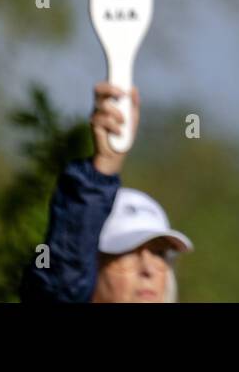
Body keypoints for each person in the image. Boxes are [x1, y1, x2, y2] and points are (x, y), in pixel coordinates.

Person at [20, 84, 193, 303]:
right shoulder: (67, 281)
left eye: (159, 254)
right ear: (91, 267)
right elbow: (64, 277)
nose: (148, 269)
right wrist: (102, 170)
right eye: (127, 251)